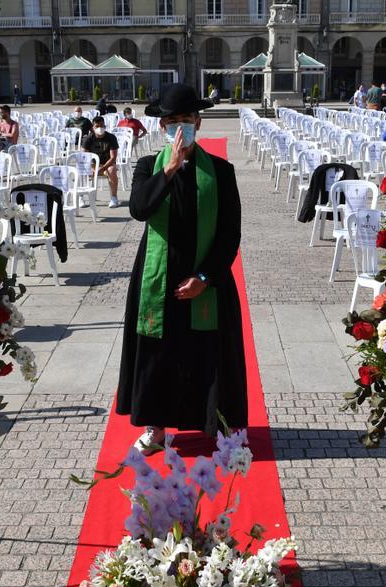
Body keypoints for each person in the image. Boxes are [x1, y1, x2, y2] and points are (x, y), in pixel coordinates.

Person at [119, 83, 246, 452]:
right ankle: (156, 428)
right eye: (171, 121)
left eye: (186, 120)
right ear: (162, 127)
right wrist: (170, 170)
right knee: (157, 354)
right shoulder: (148, 167)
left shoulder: (221, 171)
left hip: (207, 277)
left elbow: (229, 233)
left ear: (198, 122)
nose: (179, 128)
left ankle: (217, 424)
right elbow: (139, 209)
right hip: (158, 277)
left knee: (207, 351)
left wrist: (205, 277)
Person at [82, 115, 121, 208]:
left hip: (107, 164)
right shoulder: (88, 139)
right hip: (93, 164)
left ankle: (114, 197)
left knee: (112, 171)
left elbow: (113, 157)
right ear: (93, 127)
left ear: (105, 126)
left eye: (102, 125)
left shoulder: (111, 138)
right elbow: (84, 157)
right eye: (97, 126)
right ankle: (81, 198)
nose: (100, 128)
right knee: (81, 171)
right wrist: (92, 167)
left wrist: (102, 168)